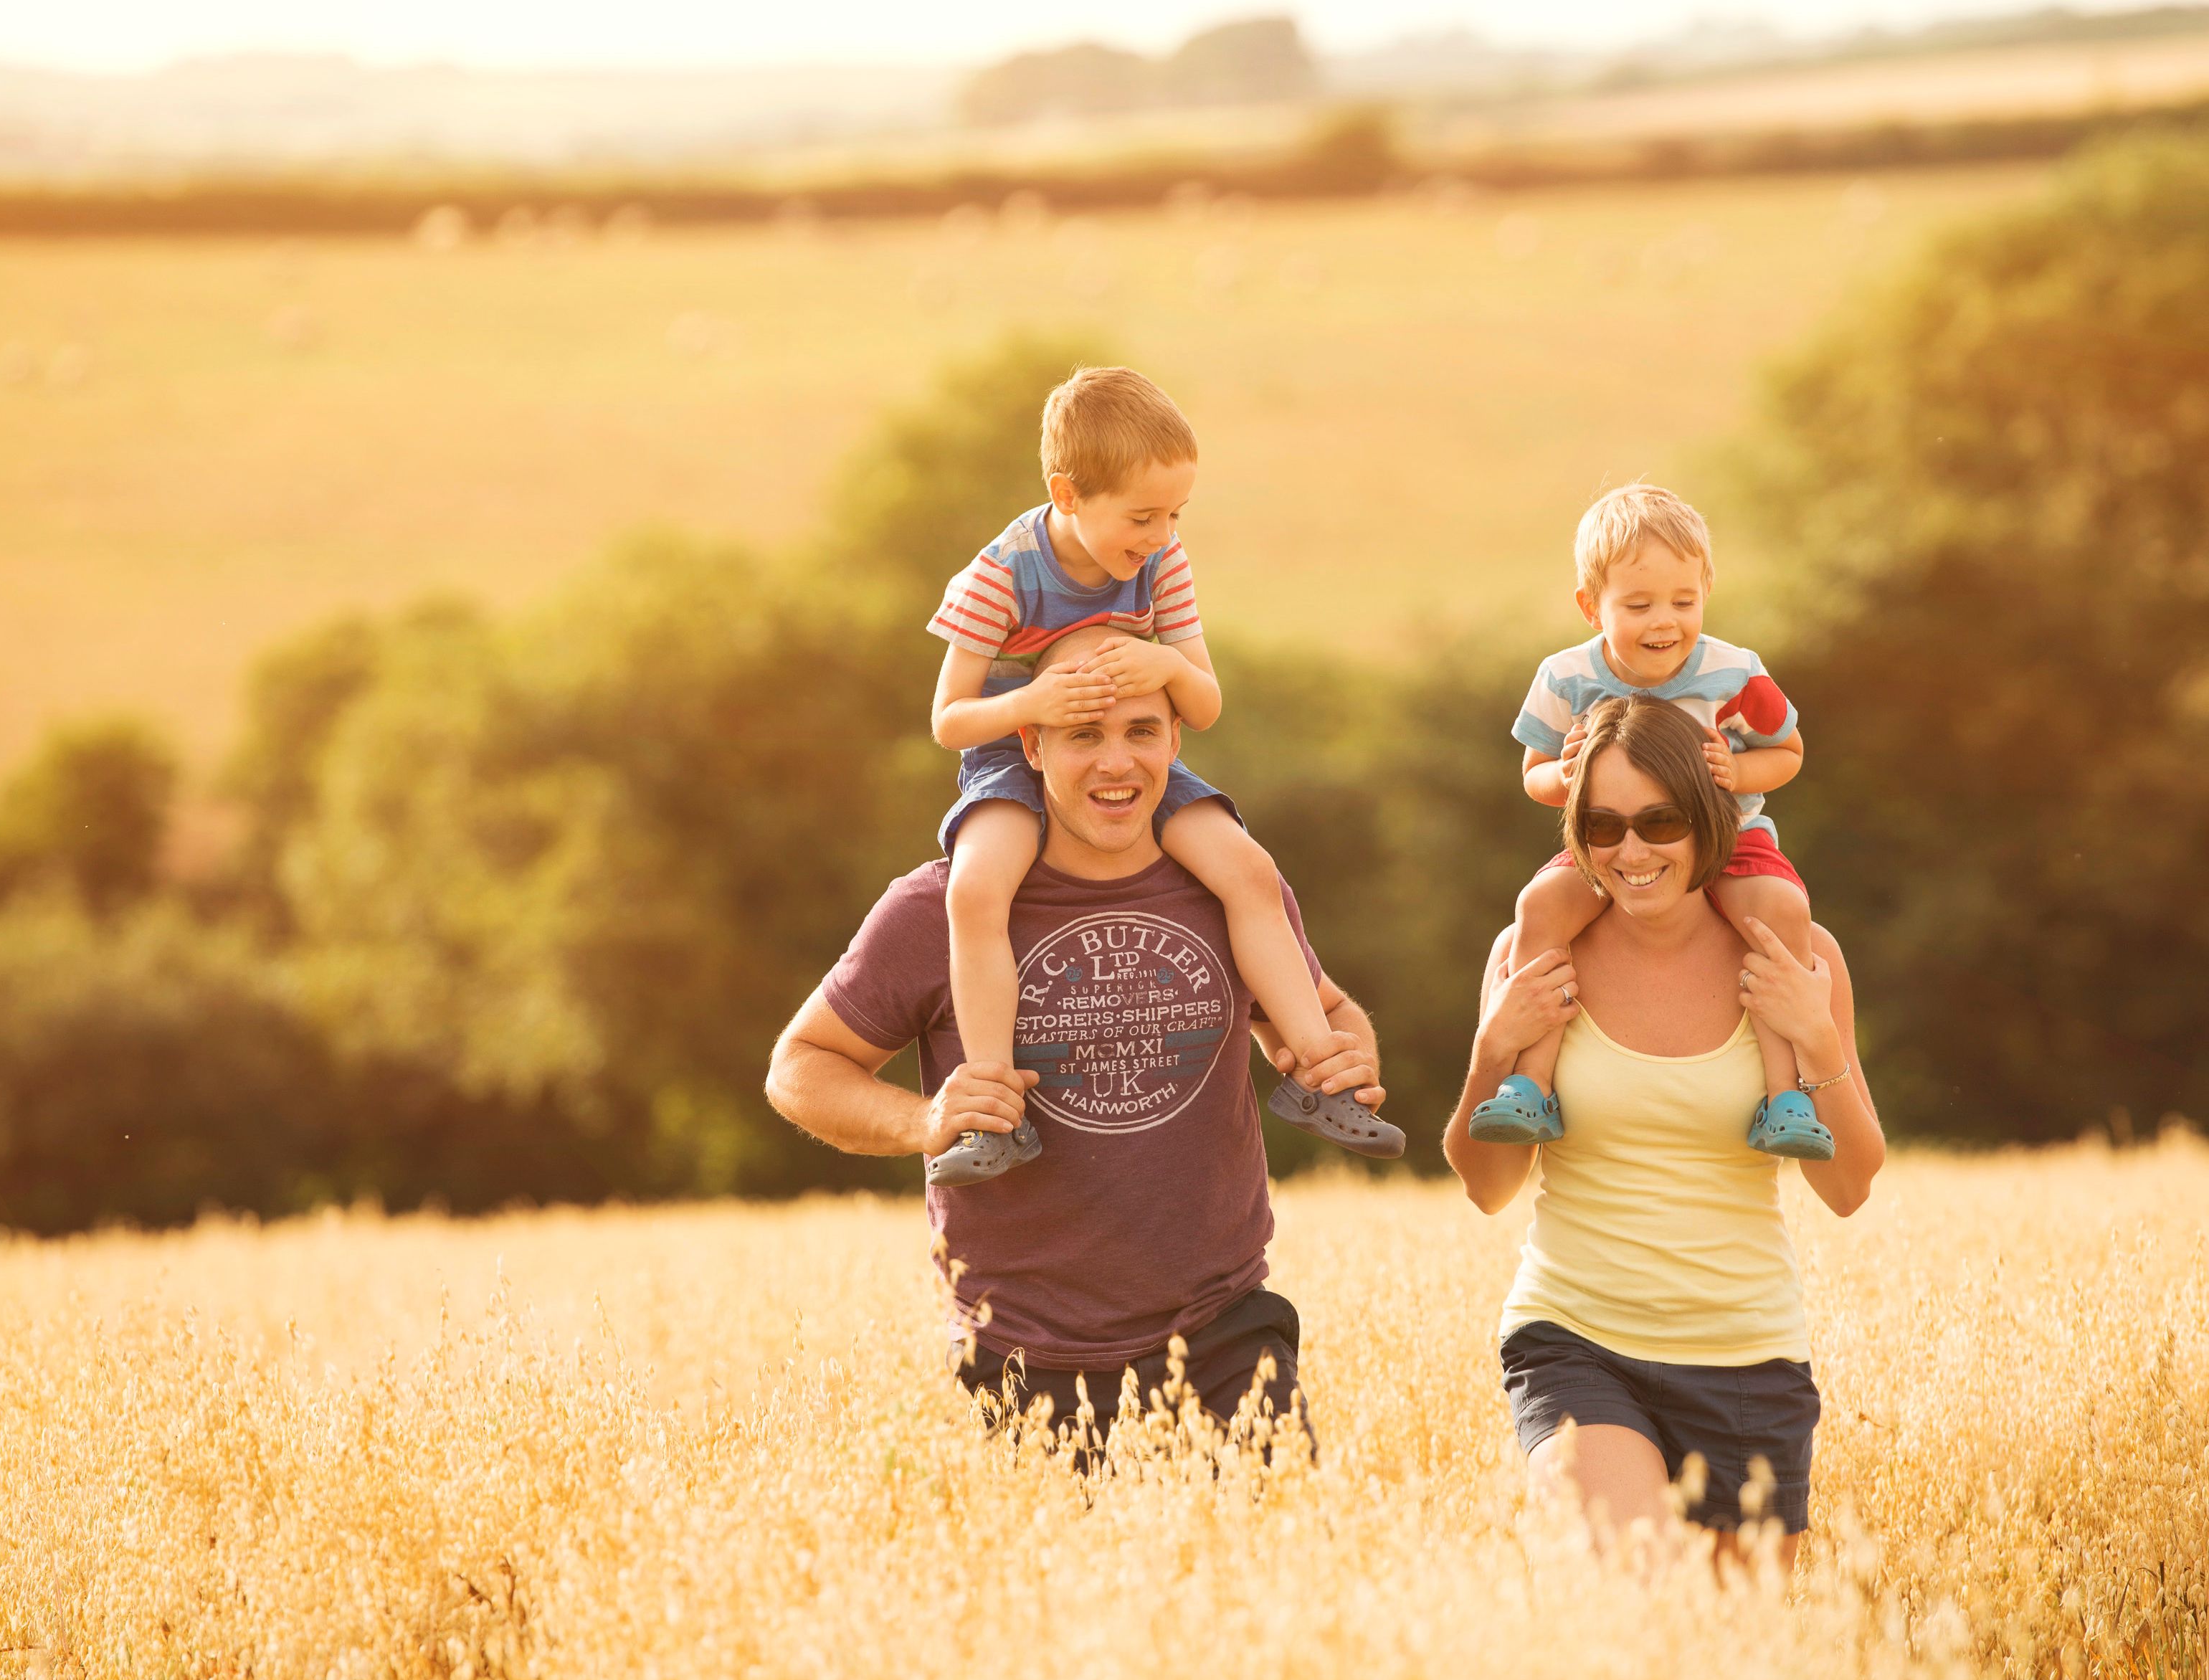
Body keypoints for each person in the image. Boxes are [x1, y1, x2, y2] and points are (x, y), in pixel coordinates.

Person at [768, 623, 1392, 1455]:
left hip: (1225, 1333)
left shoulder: (1229, 884)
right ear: (1028, 742)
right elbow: (800, 1067)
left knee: (1281, 1575)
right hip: (1023, 1352)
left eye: (1140, 731)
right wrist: (925, 1123)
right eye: (1083, 735)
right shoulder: (940, 908)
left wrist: (1347, 1050)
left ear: (1176, 736)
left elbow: (1328, 1013)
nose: (1116, 762)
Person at [921, 364, 1400, 1185]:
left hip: (1138, 742)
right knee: (975, 891)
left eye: (1176, 513)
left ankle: (1321, 1075)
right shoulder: (1000, 575)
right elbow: (948, 719)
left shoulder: (1163, 565)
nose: (1162, 534)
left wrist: (1157, 661)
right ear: (1067, 495)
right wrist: (1036, 699)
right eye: (1143, 516)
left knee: (1247, 868)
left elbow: (1204, 703)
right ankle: (996, 1111)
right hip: (1013, 748)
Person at [1442, 693, 1887, 1570]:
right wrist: (1493, 1047)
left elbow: (1848, 1187)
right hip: (1575, 1338)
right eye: (1603, 826)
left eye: (1660, 821)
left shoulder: (1799, 955)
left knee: (1730, 1666)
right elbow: (1488, 1185)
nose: (1631, 852)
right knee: (1628, 1581)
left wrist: (1819, 1036)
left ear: (1711, 818)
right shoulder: (1532, 952)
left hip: (1748, 1354)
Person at [1465, 484, 1833, 1164]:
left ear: (1706, 591)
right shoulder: (1567, 677)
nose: (1665, 621)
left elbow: (1789, 751)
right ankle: (1530, 1083)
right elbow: (1533, 774)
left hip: (1733, 834)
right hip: (1616, 843)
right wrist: (1566, 775)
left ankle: (1787, 1096)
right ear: (1590, 605)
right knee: (1540, 904)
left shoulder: (1735, 673)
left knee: (1781, 909)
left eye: (1683, 602)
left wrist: (1738, 773)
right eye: (1638, 605)